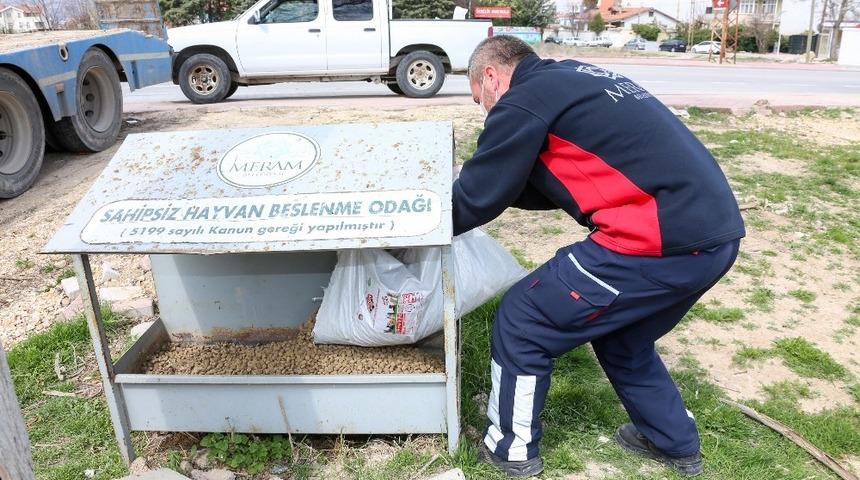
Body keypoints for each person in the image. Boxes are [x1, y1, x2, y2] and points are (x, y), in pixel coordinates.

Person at [451, 36, 745, 477]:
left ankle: (510, 452)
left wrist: (423, 225)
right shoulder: (573, 77)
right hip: (715, 238)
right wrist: (488, 187)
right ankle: (672, 442)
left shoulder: (522, 100)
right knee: (623, 335)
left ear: (490, 76)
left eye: (480, 99)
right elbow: (538, 180)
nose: (485, 111)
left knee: (525, 318)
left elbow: (477, 196)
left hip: (655, 242)